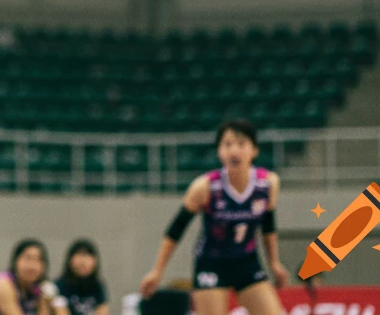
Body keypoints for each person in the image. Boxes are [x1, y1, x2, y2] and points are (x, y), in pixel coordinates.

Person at [138, 119, 290, 315]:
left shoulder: (268, 183)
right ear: (219, 152)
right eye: (227, 144)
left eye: (241, 144)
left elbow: (268, 227)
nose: (234, 151)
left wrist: (274, 263)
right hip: (211, 263)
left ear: (254, 151)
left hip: (247, 262)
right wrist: (157, 271)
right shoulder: (205, 187)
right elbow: (175, 230)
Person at [0, 240, 65, 315]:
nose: (32, 266)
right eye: (27, 258)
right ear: (15, 261)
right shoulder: (2, 284)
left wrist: (51, 298)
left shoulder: (38, 288)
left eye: (38, 260)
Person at [54, 241, 106, 315]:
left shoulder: (98, 286)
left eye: (87, 256)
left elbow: (102, 310)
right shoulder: (59, 286)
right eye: (79, 255)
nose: (83, 261)